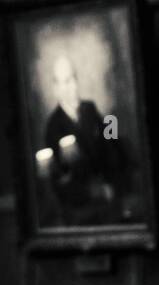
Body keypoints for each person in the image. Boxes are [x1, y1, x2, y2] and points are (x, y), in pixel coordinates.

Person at [41, 55, 129, 225]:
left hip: (109, 191)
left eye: (71, 79)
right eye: (63, 82)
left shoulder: (90, 108)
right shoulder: (53, 126)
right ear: (56, 88)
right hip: (81, 207)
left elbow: (110, 140)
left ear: (77, 81)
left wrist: (114, 133)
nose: (69, 87)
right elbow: (58, 180)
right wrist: (94, 192)